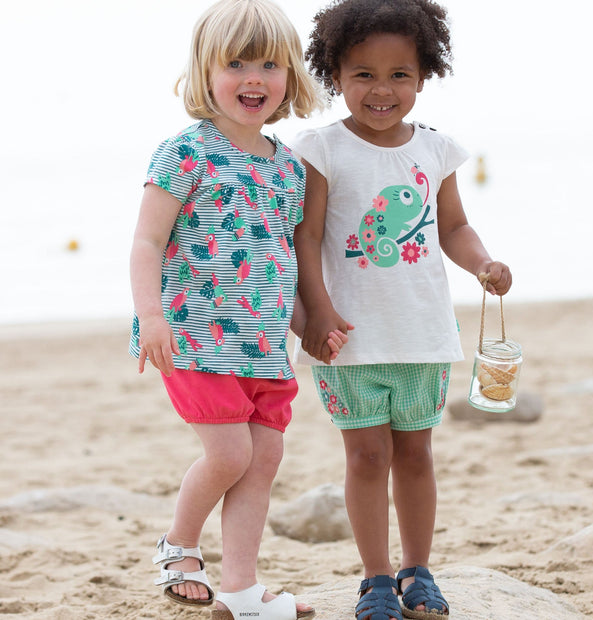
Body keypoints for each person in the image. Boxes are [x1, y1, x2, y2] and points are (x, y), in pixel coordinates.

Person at [292, 0, 512, 618]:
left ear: (423, 76)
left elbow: (455, 226)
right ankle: (377, 578)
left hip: (422, 335)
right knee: (366, 457)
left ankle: (418, 570)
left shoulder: (437, 150)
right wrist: (317, 310)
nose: (381, 90)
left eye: (399, 75)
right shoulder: (321, 148)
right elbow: (305, 239)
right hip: (350, 339)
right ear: (335, 75)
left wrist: (483, 264)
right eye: (363, 74)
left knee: (415, 455)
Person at [129, 1, 346, 618]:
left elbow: (278, 258)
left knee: (265, 458)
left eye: (270, 65)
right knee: (230, 455)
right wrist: (150, 315)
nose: (254, 78)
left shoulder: (287, 169)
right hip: (194, 338)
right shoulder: (184, 153)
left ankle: (242, 590)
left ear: (290, 78)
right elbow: (146, 242)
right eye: (236, 63)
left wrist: (309, 328)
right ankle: (178, 545)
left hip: (263, 346)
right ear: (205, 73)